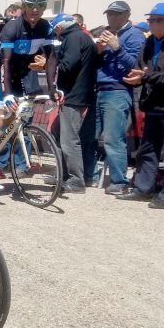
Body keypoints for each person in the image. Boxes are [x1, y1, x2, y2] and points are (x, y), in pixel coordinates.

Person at [0, 0, 58, 191]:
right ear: (24, 6)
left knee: (12, 121)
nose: (35, 10)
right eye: (31, 5)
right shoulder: (12, 27)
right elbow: (6, 63)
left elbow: (51, 59)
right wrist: (7, 94)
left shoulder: (45, 28)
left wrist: (53, 88)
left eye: (40, 5)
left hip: (20, 74)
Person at [80, 1, 145, 194]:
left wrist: (116, 47)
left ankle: (119, 181)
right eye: (109, 14)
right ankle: (89, 175)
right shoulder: (107, 33)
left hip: (117, 90)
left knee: (112, 138)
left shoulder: (134, 35)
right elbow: (97, 64)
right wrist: (98, 52)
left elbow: (135, 66)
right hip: (99, 90)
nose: (112, 18)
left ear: (127, 15)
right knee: (88, 135)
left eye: (116, 14)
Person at [117, 3, 164, 209]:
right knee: (148, 149)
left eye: (159, 20)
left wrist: (145, 76)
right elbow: (139, 66)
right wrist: (136, 78)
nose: (153, 23)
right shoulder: (148, 43)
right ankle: (143, 189)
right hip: (153, 104)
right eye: (151, 19)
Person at [47, 14, 98, 194]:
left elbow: (68, 65)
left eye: (55, 32)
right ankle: (62, 174)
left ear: (59, 28)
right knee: (56, 132)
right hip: (75, 93)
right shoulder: (80, 36)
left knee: (69, 139)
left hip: (75, 96)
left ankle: (76, 180)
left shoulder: (74, 38)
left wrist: (54, 59)